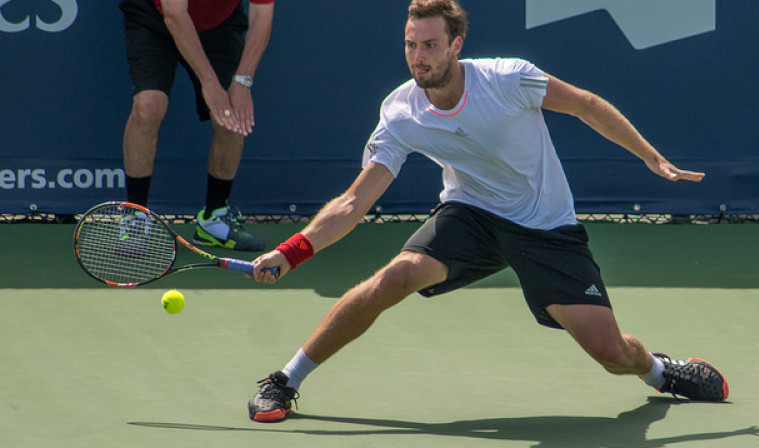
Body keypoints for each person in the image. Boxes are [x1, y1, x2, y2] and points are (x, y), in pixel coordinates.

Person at [247, 0, 729, 423]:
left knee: (611, 353)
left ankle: (662, 372)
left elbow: (585, 104)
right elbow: (354, 202)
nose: (419, 57)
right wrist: (292, 252)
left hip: (545, 227)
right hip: (471, 214)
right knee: (394, 278)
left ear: (457, 44)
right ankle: (285, 380)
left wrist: (647, 154)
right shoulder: (400, 112)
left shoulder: (508, 78)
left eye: (431, 45)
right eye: (411, 45)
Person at [119, 0, 274, 251]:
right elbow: (174, 14)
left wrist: (243, 82)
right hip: (154, 17)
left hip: (220, 24)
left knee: (231, 114)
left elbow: (262, 16)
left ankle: (214, 219)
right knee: (149, 106)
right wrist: (210, 84)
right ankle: (135, 217)